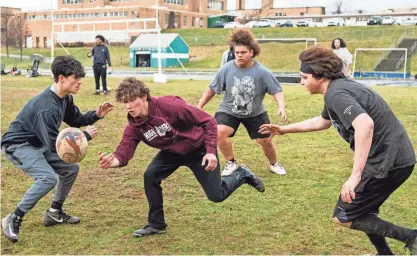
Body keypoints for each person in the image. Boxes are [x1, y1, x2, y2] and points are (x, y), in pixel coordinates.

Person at [259, 46, 417, 255]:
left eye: (304, 77)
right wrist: (284, 130)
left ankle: (411, 237)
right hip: (397, 159)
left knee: (345, 215)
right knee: (363, 211)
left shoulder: (336, 93)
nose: (302, 82)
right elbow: (324, 121)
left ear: (321, 75)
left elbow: (364, 125)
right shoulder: (337, 89)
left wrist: (355, 175)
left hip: (387, 162)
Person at [98, 77, 265, 238]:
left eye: (131, 100)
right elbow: (124, 150)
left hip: (198, 149)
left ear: (143, 96)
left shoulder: (170, 107)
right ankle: (156, 224)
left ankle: (242, 174)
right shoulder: (135, 125)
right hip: (172, 152)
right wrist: (113, 161)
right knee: (150, 176)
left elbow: (208, 121)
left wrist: (210, 150)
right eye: (124, 102)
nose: (128, 106)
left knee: (216, 195)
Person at [1, 55, 114, 243]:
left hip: (39, 142)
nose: (79, 82)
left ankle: (54, 212)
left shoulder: (65, 97)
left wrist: (96, 115)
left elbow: (76, 120)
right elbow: (56, 146)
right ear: (61, 78)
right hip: (18, 145)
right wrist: (84, 137)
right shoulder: (46, 107)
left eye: (80, 78)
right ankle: (13, 218)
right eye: (75, 78)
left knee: (70, 169)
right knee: (47, 178)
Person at [198, 29, 288, 177]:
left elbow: (276, 90)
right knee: (218, 131)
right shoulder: (226, 69)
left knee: (265, 140)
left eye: (243, 52)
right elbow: (212, 88)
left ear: (251, 52)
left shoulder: (262, 71)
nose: (239, 55)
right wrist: (200, 106)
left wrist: (281, 107)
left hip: (255, 112)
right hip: (229, 110)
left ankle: (274, 164)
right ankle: (231, 162)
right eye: (237, 52)